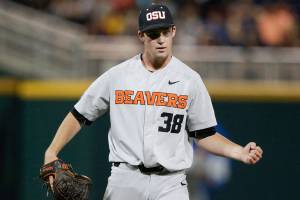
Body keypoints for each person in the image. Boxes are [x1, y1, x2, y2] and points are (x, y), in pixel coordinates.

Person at [44, 3, 263, 200]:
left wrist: (239, 152)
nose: (160, 39)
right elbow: (79, 114)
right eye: (153, 33)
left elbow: (204, 134)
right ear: (141, 35)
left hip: (171, 183)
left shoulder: (190, 80)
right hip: (125, 179)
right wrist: (51, 151)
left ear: (173, 32)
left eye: (165, 32)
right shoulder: (118, 76)